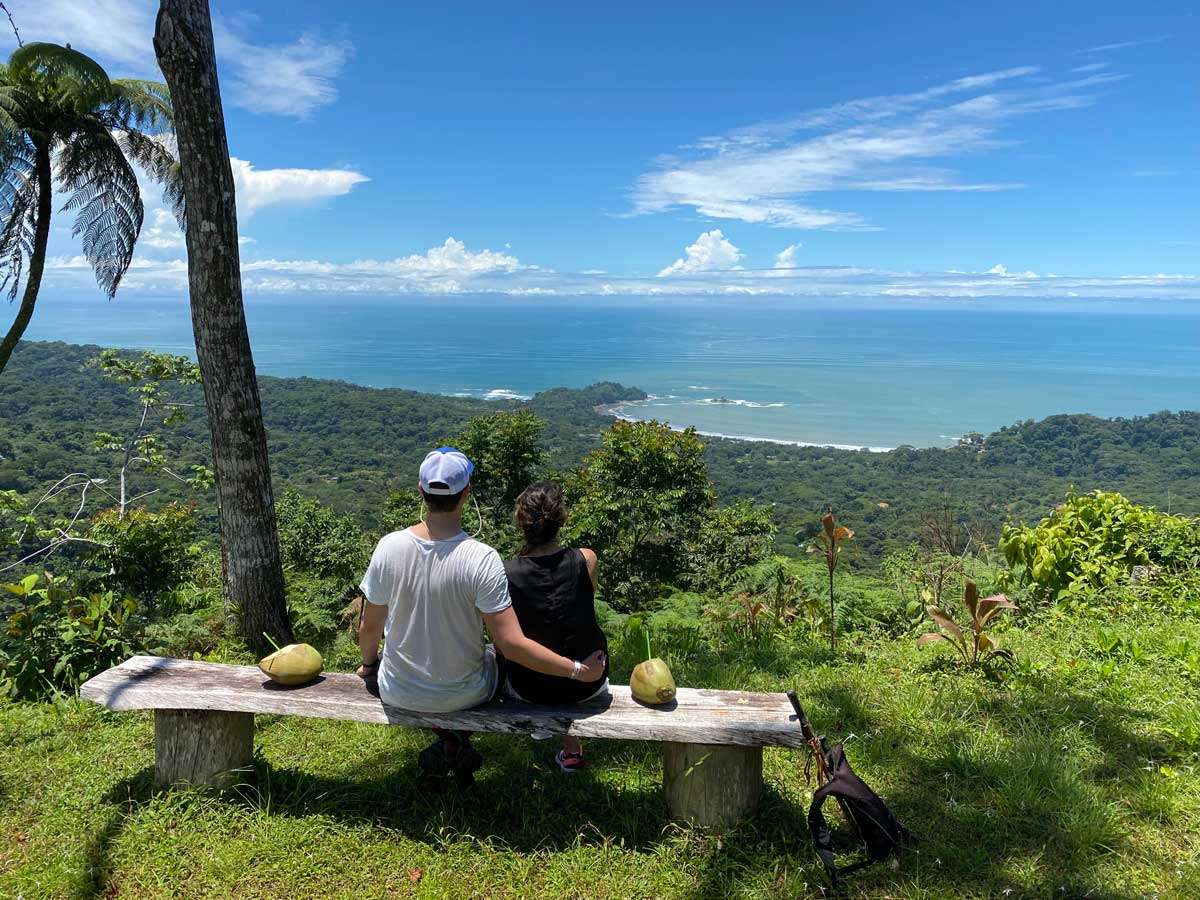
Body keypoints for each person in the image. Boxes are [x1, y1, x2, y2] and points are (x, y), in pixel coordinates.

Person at [355, 447, 606, 788]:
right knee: (494, 654)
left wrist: (370, 664)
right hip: (467, 693)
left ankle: (448, 741)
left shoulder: (388, 546)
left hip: (397, 689)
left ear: (420, 491)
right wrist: (578, 670)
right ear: (467, 494)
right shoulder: (481, 557)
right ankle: (456, 741)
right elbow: (510, 644)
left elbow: (369, 628)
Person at [503, 481, 609, 772]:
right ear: (562, 519)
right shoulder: (586, 559)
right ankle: (571, 749)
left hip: (531, 687)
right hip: (590, 681)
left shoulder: (506, 573)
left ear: (520, 521)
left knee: (497, 649)